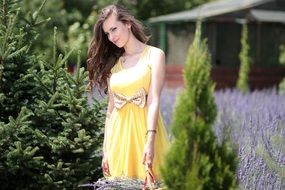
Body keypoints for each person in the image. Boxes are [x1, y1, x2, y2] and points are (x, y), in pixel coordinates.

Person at [87, 4, 170, 181]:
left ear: (128, 24)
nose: (111, 37)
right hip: (118, 139)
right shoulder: (113, 64)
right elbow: (110, 112)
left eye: (114, 29)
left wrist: (150, 141)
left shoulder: (155, 55)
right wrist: (106, 150)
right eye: (107, 33)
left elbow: (154, 100)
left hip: (145, 133)